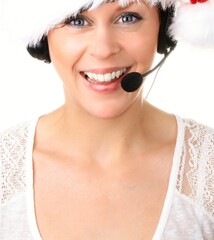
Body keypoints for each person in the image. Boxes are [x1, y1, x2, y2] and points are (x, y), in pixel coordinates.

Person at [0, 0, 214, 239]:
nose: (103, 49)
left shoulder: (208, 170)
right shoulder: (4, 174)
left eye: (128, 18)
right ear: (42, 36)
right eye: (77, 20)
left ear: (164, 27)